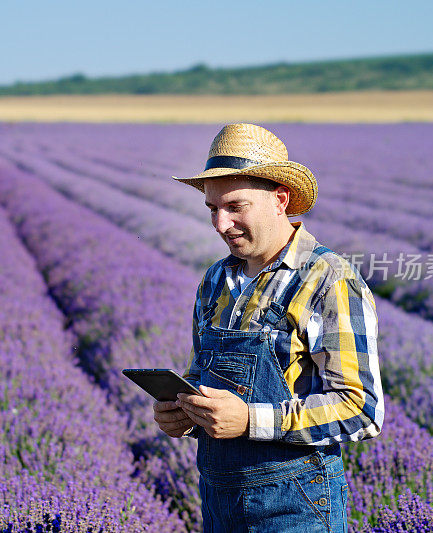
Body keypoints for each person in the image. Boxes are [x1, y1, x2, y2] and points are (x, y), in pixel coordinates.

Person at [152, 123, 383, 533]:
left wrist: (250, 420)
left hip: (295, 506)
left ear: (280, 199)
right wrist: (184, 412)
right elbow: (202, 374)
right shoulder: (216, 280)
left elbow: (361, 410)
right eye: (212, 209)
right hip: (219, 500)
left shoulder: (328, 279)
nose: (221, 224)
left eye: (235, 206)